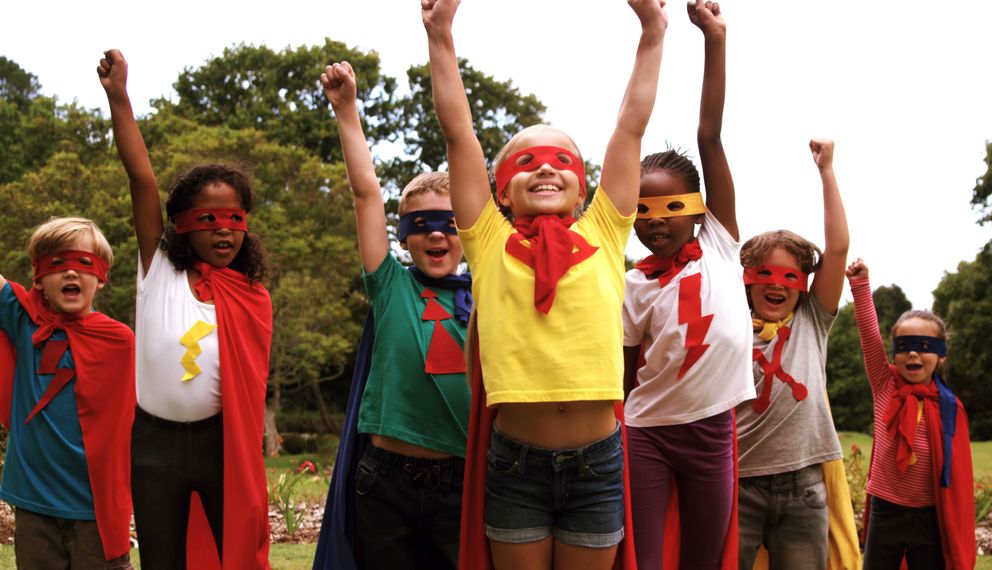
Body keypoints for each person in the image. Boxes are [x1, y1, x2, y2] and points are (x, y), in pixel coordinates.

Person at [422, 0, 666, 567]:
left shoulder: (606, 232)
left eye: (562, 160)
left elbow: (631, 126)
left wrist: (653, 32)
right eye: (526, 162)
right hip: (516, 463)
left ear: (583, 188)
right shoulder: (486, 239)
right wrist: (440, 35)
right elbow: (459, 134)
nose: (546, 168)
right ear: (502, 191)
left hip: (598, 461)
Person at [99, 49, 274, 570]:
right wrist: (119, 99)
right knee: (162, 560)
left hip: (224, 447)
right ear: (181, 225)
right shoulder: (159, 268)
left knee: (234, 555)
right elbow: (143, 182)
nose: (223, 229)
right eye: (208, 218)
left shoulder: (251, 294)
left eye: (234, 218)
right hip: (154, 445)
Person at [313, 60, 471, 570]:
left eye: (449, 222)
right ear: (404, 236)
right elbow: (365, 193)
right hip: (386, 479)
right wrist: (346, 110)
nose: (437, 235)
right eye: (422, 225)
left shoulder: (491, 292)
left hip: (461, 481)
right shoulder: (390, 284)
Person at [621, 2, 750, 568]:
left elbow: (711, 136)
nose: (655, 219)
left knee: (705, 555)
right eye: (642, 208)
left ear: (697, 210)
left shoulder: (721, 244)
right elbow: (625, 374)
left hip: (712, 433)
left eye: (671, 205)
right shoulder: (633, 283)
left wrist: (713, 39)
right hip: (647, 433)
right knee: (643, 557)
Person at [735, 139, 860, 570]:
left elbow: (838, 249)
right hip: (738, 484)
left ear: (803, 285)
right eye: (765, 273)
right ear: (748, 281)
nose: (778, 284)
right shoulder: (728, 325)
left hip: (804, 486)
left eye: (790, 275)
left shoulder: (812, 320)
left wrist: (827, 171)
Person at [0, 217, 135, 570]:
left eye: (83, 264)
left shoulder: (119, 340)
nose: (71, 274)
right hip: (34, 501)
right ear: (39, 279)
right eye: (56, 264)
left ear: (101, 277)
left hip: (95, 505)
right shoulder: (24, 320)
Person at [846, 258, 975, 570]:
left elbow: (958, 475)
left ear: (941, 356)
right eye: (905, 345)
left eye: (924, 345)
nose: (914, 353)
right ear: (895, 352)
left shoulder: (949, 406)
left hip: (928, 513)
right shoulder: (884, 383)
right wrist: (861, 286)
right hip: (885, 509)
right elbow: (868, 334)